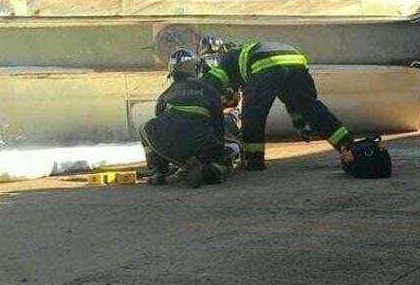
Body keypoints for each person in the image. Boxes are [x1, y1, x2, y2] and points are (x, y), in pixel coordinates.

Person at [201, 38, 354, 172]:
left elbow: (213, 81)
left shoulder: (230, 57)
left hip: (266, 63)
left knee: (253, 113)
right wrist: (302, 127)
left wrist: (195, 89)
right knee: (311, 107)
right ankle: (348, 146)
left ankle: (253, 161)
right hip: (295, 58)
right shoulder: (247, 53)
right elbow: (293, 104)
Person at [140, 49, 234, 189]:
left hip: (174, 151)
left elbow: (161, 127)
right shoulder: (209, 90)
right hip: (203, 147)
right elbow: (218, 126)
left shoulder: (165, 95)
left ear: (172, 73)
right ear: (196, 70)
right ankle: (212, 169)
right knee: (227, 156)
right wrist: (218, 153)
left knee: (145, 128)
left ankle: (158, 171)